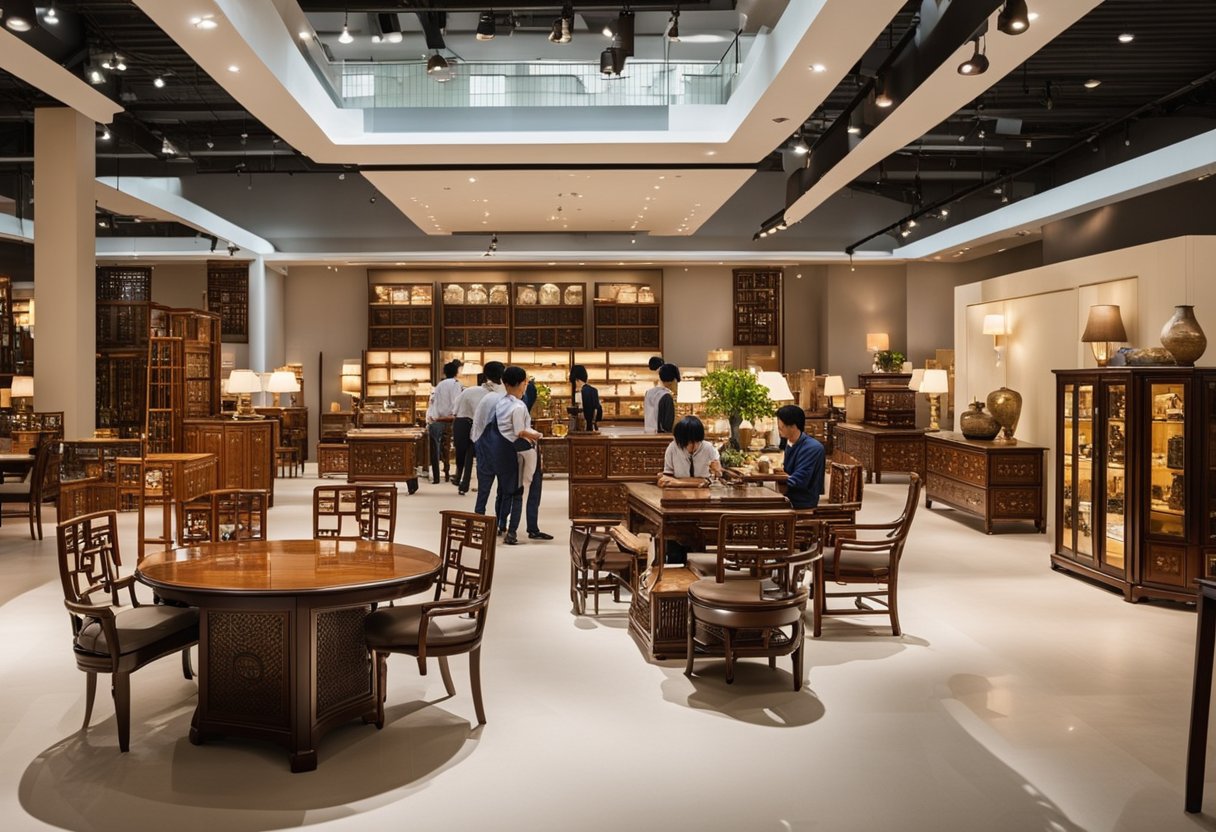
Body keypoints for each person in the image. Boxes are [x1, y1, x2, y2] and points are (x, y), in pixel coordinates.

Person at [489, 366, 548, 545]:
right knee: (521, 491)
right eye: (525, 383)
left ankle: (502, 525)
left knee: (506, 490)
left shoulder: (501, 403)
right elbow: (520, 431)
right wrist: (539, 436)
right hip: (522, 451)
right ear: (522, 384)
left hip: (504, 450)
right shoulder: (519, 406)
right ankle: (512, 532)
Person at [454, 361, 505, 496]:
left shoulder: (470, 391)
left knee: (470, 452)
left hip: (473, 429)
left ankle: (464, 482)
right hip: (496, 432)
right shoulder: (505, 393)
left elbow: (457, 411)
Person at [471, 368, 508, 521]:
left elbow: (477, 424)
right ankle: (501, 522)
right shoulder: (504, 397)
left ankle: (479, 519)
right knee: (504, 489)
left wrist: (477, 443)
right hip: (500, 446)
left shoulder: (488, 397)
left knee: (484, 489)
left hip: (484, 445)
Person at [776, 404, 825, 509]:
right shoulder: (789, 442)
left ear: (793, 426)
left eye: (782, 426)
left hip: (801, 501)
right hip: (788, 495)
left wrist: (773, 479)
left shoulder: (812, 448)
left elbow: (798, 481)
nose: (778, 428)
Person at [426, 360, 463, 484]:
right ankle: (449, 474)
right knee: (451, 448)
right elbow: (456, 402)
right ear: (456, 372)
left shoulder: (439, 384)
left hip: (435, 419)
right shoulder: (455, 384)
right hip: (449, 420)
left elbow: (433, 401)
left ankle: (436, 477)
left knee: (435, 448)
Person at [658, 416, 722, 487]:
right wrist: (699, 482)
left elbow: (716, 478)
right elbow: (665, 479)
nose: (690, 446)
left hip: (704, 492)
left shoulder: (709, 449)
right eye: (686, 442)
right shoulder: (673, 448)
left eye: (694, 442)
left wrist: (717, 471)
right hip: (678, 492)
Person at [643, 363, 679, 433]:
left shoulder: (648, 393)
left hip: (648, 433)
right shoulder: (667, 397)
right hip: (661, 436)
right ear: (673, 380)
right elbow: (668, 425)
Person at [570, 364, 602, 432]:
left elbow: (576, 412)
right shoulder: (593, 390)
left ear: (576, 379)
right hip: (591, 428)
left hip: (579, 428)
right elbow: (598, 410)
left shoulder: (577, 393)